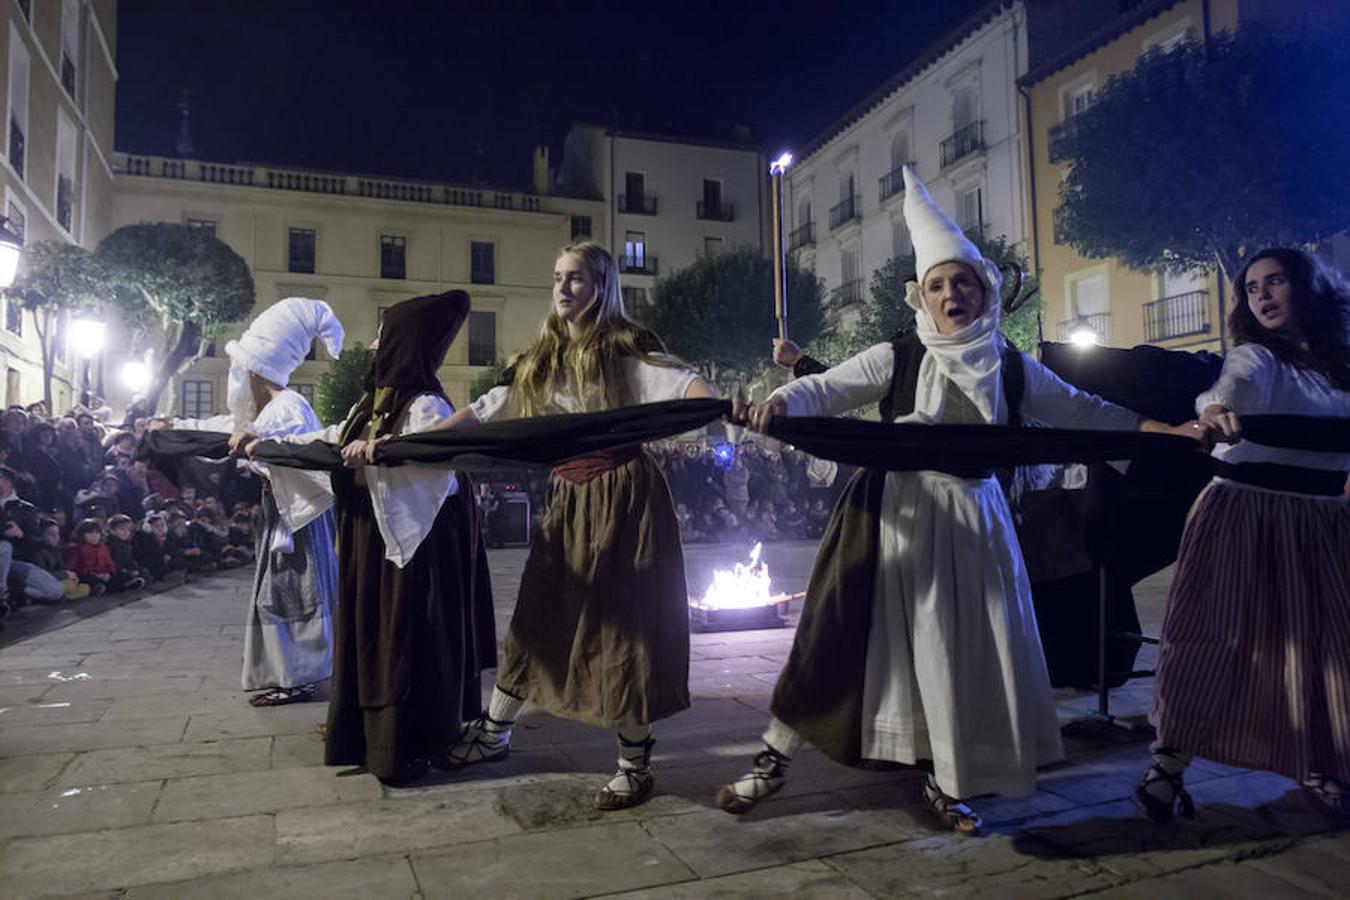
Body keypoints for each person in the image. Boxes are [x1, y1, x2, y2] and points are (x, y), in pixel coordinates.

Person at [716, 167, 1204, 832]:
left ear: (985, 291)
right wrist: (778, 401)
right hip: (889, 520)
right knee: (833, 640)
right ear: (923, 296)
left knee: (957, 654)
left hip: (978, 524)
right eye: (940, 284)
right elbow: (823, 390)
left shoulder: (1010, 363)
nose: (953, 294)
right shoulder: (899, 352)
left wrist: (1163, 430)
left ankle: (947, 779)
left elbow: (1086, 412)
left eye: (964, 282)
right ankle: (772, 762)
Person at [422, 242, 716, 810]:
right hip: (569, 497)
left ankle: (635, 761)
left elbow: (684, 386)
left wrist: (721, 406)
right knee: (537, 612)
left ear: (601, 285)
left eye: (576, 279)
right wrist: (417, 444)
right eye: (557, 277)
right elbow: (490, 409)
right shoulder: (542, 361)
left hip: (624, 495)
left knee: (622, 629)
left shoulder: (628, 348)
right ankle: (494, 732)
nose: (563, 288)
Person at [1137, 247, 1350, 822]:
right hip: (1242, 511)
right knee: (1211, 638)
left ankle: (1323, 763)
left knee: (1325, 647)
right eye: (1252, 288)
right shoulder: (1255, 356)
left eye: (1275, 281)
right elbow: (1225, 387)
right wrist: (1214, 413)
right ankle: (1167, 769)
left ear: (1306, 287)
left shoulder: (1343, 364)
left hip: (1323, 519)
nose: (1262, 295)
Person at [272, 290, 495, 786]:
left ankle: (410, 741)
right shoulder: (371, 404)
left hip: (412, 553)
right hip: (369, 539)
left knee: (403, 637)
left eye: (382, 334)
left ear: (402, 342)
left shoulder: (425, 404)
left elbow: (436, 466)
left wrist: (382, 454)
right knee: (369, 632)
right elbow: (330, 439)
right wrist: (267, 445)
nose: (372, 344)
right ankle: (361, 733)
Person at [171, 297, 344, 707]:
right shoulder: (273, 409)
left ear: (254, 370)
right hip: (281, 515)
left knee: (292, 592)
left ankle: (300, 675)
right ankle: (286, 672)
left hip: (298, 520)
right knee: (281, 591)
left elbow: (274, 449)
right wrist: (176, 428)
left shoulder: (288, 407)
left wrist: (252, 450)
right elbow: (229, 432)